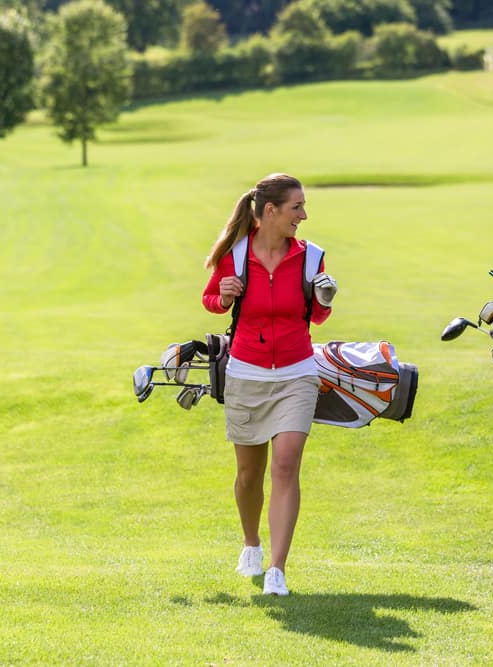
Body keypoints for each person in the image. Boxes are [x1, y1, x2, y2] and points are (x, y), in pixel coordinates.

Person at [201, 173, 337, 596]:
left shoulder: (312, 258)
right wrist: (223, 296)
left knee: (285, 464)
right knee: (248, 474)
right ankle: (251, 544)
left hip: (297, 371)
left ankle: (277, 570)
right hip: (246, 372)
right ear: (271, 211)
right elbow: (211, 300)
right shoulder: (236, 255)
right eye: (296, 207)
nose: (304, 215)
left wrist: (324, 299)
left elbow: (315, 318)